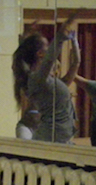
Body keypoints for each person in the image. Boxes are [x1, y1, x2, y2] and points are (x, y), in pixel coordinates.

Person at [12, 14, 80, 144]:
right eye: (47, 46)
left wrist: (74, 40)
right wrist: (60, 37)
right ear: (40, 53)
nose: (49, 49)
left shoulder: (53, 83)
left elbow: (76, 63)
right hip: (46, 135)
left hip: (56, 137)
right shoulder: (36, 79)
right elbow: (49, 59)